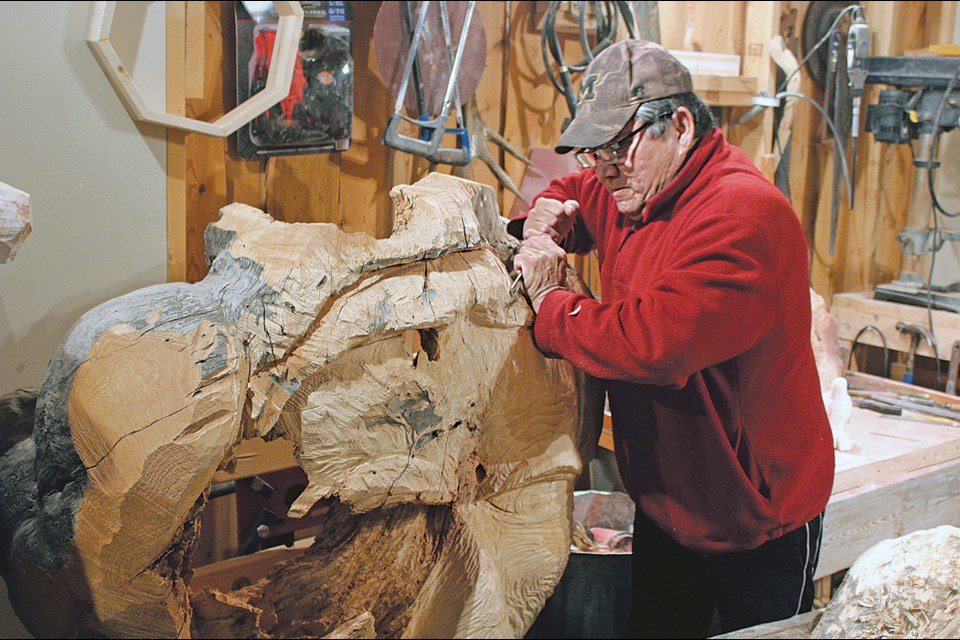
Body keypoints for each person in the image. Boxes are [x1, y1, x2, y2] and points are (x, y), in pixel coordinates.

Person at [509, 40, 835, 638]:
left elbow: (653, 344)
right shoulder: (633, 182)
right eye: (594, 149)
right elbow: (578, 188)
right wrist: (547, 212)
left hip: (754, 520)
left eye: (619, 146)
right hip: (669, 508)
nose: (604, 166)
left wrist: (554, 306)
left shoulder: (742, 217)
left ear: (680, 125)